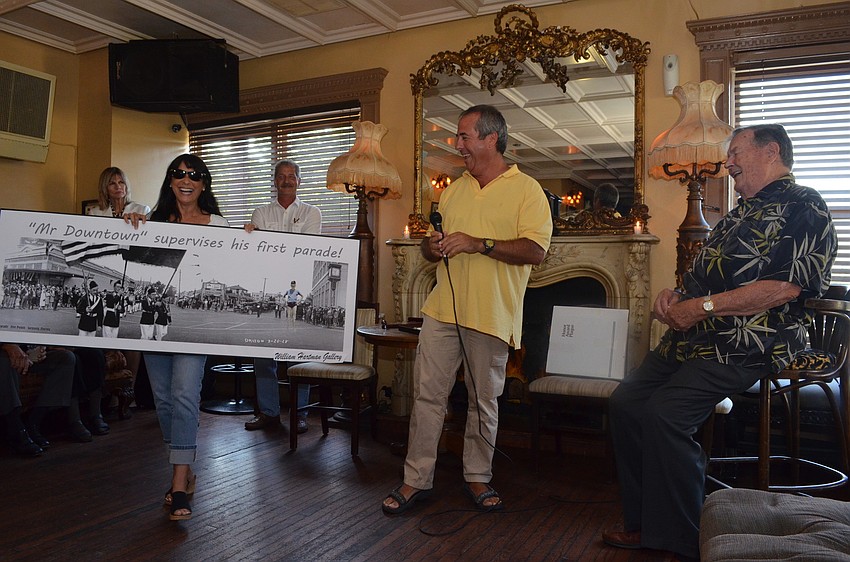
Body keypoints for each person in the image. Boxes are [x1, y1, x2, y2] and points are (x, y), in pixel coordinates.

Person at [602, 124, 837, 562]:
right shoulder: (738, 212)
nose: (727, 163)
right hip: (695, 335)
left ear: (770, 152)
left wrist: (702, 308)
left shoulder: (805, 205)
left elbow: (783, 288)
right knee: (627, 402)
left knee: (666, 414)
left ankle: (680, 536)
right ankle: (644, 521)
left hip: (750, 340)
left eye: (735, 153)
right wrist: (674, 297)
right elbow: (701, 277)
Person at [382, 105, 552, 514]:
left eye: (464, 136)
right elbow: (430, 243)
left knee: (483, 400)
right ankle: (414, 480)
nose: (457, 145)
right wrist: (432, 245)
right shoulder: (454, 189)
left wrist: (481, 243)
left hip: (492, 314)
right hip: (442, 310)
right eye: (457, 137)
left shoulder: (527, 190)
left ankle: (477, 478)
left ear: (491, 138)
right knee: (427, 397)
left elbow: (536, 250)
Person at [125, 153, 229, 521]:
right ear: (170, 181)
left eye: (195, 175)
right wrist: (130, 223)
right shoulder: (151, 222)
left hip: (193, 328)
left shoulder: (219, 224)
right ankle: (186, 463)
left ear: (204, 184)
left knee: (185, 394)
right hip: (156, 327)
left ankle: (179, 482)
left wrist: (246, 240)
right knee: (165, 401)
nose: (187, 180)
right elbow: (132, 252)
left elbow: (237, 263)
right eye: (179, 173)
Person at [243, 160, 321, 434]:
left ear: (300, 181)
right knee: (264, 355)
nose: (287, 180)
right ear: (273, 181)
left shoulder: (313, 213)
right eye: (281, 176)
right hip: (270, 291)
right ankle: (268, 412)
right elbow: (261, 251)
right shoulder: (260, 212)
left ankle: (300, 414)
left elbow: (307, 250)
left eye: (292, 176)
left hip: (299, 291)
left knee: (299, 356)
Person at [0, 344, 75, 455]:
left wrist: (42, 348)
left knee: (66, 357)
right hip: (6, 354)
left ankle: (33, 423)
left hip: (27, 353)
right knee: (4, 358)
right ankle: (16, 429)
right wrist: (6, 345)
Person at [86, 166, 151, 218]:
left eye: (121, 182)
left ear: (126, 186)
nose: (118, 187)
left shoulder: (143, 210)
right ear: (104, 188)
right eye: (112, 183)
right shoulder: (95, 213)